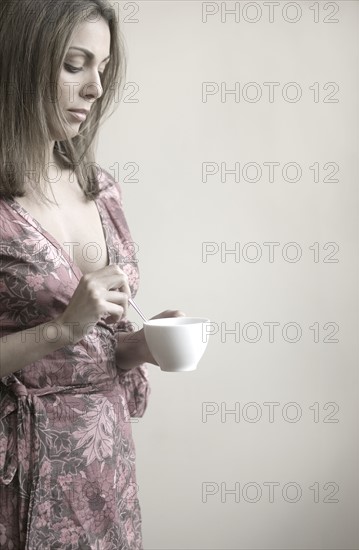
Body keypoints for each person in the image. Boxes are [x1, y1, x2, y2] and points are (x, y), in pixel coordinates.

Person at [0, 1, 183, 548]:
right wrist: (62, 328)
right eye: (75, 64)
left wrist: (137, 347)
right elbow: (68, 330)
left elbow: (92, 347)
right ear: (22, 60)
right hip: (24, 479)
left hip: (106, 475)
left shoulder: (99, 187)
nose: (95, 88)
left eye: (102, 68)